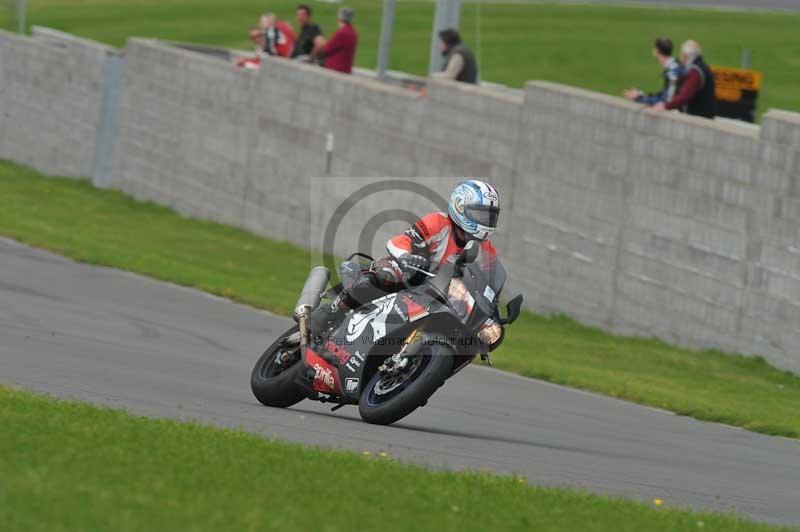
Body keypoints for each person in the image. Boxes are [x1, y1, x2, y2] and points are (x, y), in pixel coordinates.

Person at [309, 180, 500, 334]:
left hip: (441, 294)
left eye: (490, 217)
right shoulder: (438, 222)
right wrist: (406, 257)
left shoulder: (486, 249)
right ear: (460, 206)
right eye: (481, 215)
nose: (486, 222)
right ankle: (336, 310)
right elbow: (400, 240)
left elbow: (488, 280)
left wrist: (493, 310)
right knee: (388, 273)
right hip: (409, 272)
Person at [652, 40, 717, 119]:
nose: (680, 58)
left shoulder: (694, 72)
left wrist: (665, 106)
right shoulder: (702, 67)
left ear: (686, 56)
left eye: (682, 54)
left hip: (699, 118)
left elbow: (685, 95)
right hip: (704, 116)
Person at [624, 37, 683, 106]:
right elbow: (665, 94)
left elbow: (667, 100)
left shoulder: (672, 72)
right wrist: (641, 95)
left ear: (656, 51)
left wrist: (640, 98)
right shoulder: (675, 65)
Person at [312, 7, 358, 74]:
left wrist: (320, 43)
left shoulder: (342, 32)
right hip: (346, 68)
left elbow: (326, 50)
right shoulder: (353, 32)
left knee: (314, 60)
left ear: (339, 18)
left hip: (336, 68)